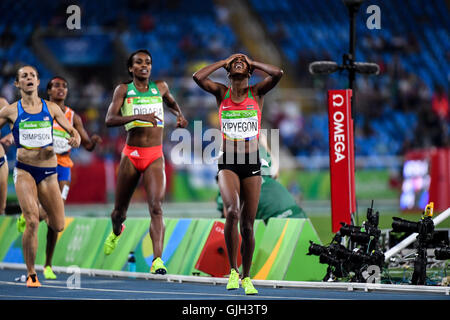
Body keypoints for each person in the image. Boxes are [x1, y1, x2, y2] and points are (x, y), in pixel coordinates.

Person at [193, 53, 283, 294]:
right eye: (235, 62)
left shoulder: (257, 93)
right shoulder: (222, 93)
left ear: (250, 71)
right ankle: (232, 272)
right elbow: (198, 76)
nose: (239, 61)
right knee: (232, 211)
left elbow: (278, 73)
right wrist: (223, 62)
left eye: (243, 61)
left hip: (253, 162)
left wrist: (253, 62)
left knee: (248, 225)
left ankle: (246, 276)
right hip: (228, 161)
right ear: (229, 71)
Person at [103, 49, 187, 275]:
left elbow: (171, 102)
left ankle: (157, 260)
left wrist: (179, 114)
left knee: (157, 207)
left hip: (155, 155)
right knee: (119, 211)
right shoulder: (123, 90)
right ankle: (116, 230)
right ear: (131, 68)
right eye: (138, 62)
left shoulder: (161, 87)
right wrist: (137, 117)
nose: (144, 65)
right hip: (132, 155)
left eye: (148, 62)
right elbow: (109, 119)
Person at [0, 65, 80, 287]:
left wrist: (75, 139)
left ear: (37, 82)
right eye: (23, 76)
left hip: (49, 173)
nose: (28, 78)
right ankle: (31, 273)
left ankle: (29, 214)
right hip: (25, 170)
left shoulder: (52, 108)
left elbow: (72, 132)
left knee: (58, 224)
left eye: (32, 76)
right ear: (17, 84)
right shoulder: (10, 111)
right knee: (33, 221)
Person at [16, 76, 102, 280]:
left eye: (64, 86)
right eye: (56, 86)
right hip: (41, 164)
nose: (61, 89)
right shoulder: (41, 111)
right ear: (49, 91)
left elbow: (86, 144)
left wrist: (93, 143)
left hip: (63, 167)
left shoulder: (73, 117)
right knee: (43, 214)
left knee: (55, 213)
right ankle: (31, 213)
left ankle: (47, 264)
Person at [216, 132, 307, 224]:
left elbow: (229, 216)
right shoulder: (261, 168)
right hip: (299, 214)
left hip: (277, 222)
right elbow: (275, 173)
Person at [0, 97, 9, 215]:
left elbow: (19, 123)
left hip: (0, 160)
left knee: (1, 207)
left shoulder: (2, 103)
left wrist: (12, 136)